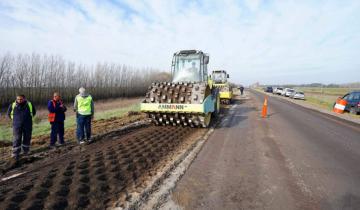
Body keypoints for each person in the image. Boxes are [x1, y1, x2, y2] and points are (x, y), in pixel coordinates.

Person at [7, 94, 36, 160]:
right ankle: (15, 153)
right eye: (18, 99)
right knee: (17, 138)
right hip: (17, 125)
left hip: (27, 124)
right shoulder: (13, 105)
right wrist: (15, 119)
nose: (19, 100)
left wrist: (27, 119)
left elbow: (33, 112)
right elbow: (8, 114)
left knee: (27, 137)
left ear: (24, 99)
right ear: (16, 99)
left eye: (21, 99)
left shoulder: (29, 104)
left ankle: (26, 151)